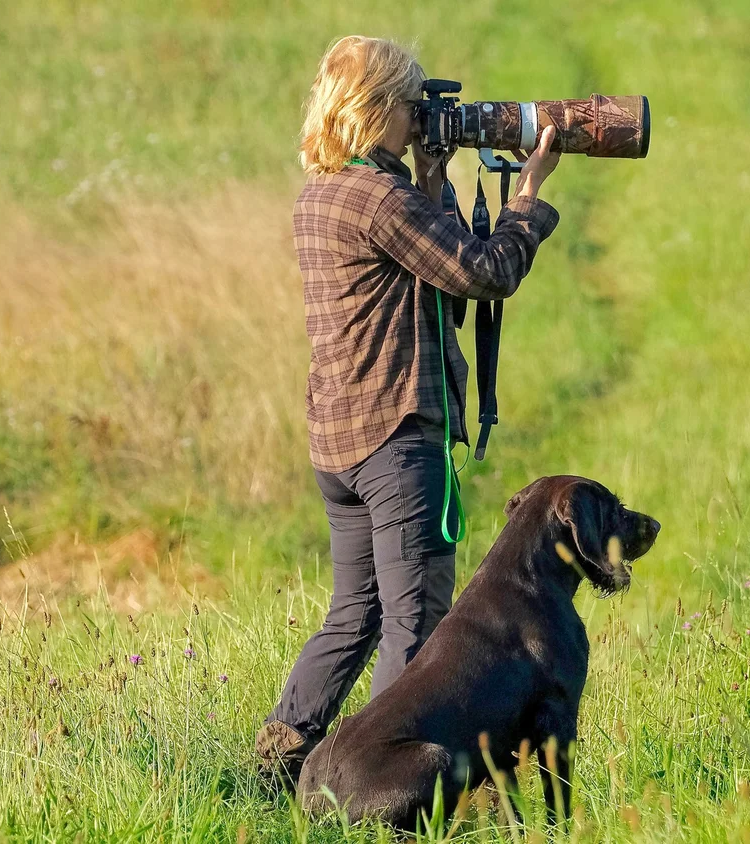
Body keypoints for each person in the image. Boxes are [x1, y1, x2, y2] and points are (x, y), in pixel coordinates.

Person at [255, 34, 562, 790]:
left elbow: (422, 269)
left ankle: (276, 765)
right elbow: (481, 273)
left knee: (352, 614)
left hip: (339, 444)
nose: (422, 117)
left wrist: (431, 176)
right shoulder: (379, 199)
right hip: (395, 440)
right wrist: (527, 200)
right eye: (413, 104)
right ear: (382, 108)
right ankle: (379, 790)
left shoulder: (322, 197)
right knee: (417, 627)